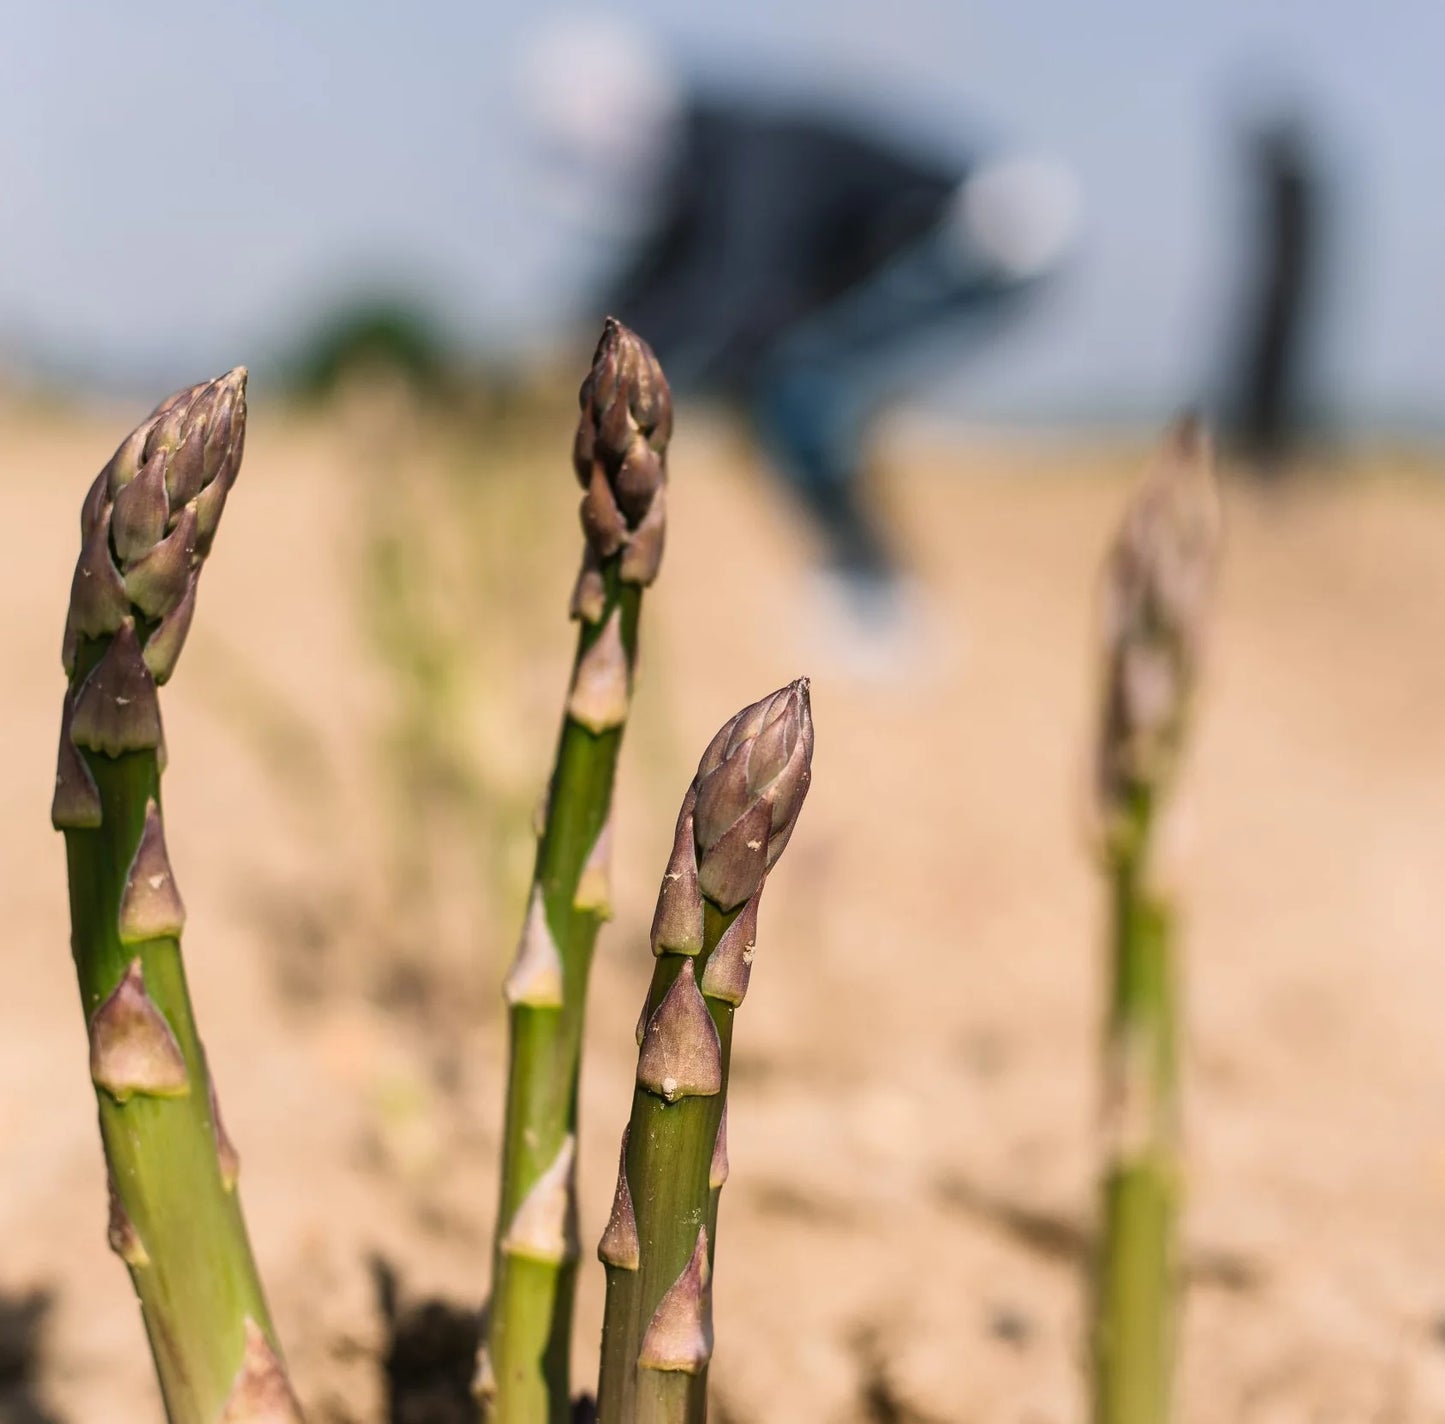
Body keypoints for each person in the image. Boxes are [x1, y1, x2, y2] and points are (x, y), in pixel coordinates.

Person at [520, 18, 1079, 641]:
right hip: (936, 246)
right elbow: (660, 279)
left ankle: (878, 596)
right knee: (780, 386)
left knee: (802, 392)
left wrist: (641, 379)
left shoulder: (756, 161)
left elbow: (744, 297)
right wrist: (591, 340)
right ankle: (861, 575)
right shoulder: (707, 166)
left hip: (991, 242)